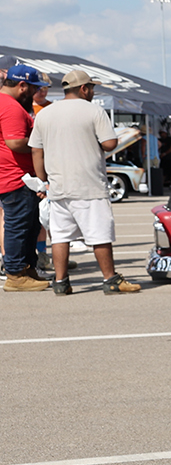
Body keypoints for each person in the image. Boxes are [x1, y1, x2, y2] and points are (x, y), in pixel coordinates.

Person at [27, 69, 140, 294]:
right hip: (89, 185)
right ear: (83, 89)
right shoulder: (94, 111)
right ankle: (110, 279)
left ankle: (61, 282)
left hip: (58, 185)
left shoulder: (45, 114)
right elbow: (109, 143)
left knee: (60, 236)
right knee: (100, 235)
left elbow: (36, 151)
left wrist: (43, 180)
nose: (92, 92)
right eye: (91, 88)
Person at [2, 63, 49, 291]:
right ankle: (14, 274)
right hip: (16, 176)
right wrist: (41, 146)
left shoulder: (7, 104)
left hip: (17, 176)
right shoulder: (10, 107)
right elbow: (14, 142)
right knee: (18, 225)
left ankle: (27, 268)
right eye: (33, 88)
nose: (36, 92)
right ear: (22, 85)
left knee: (30, 225)